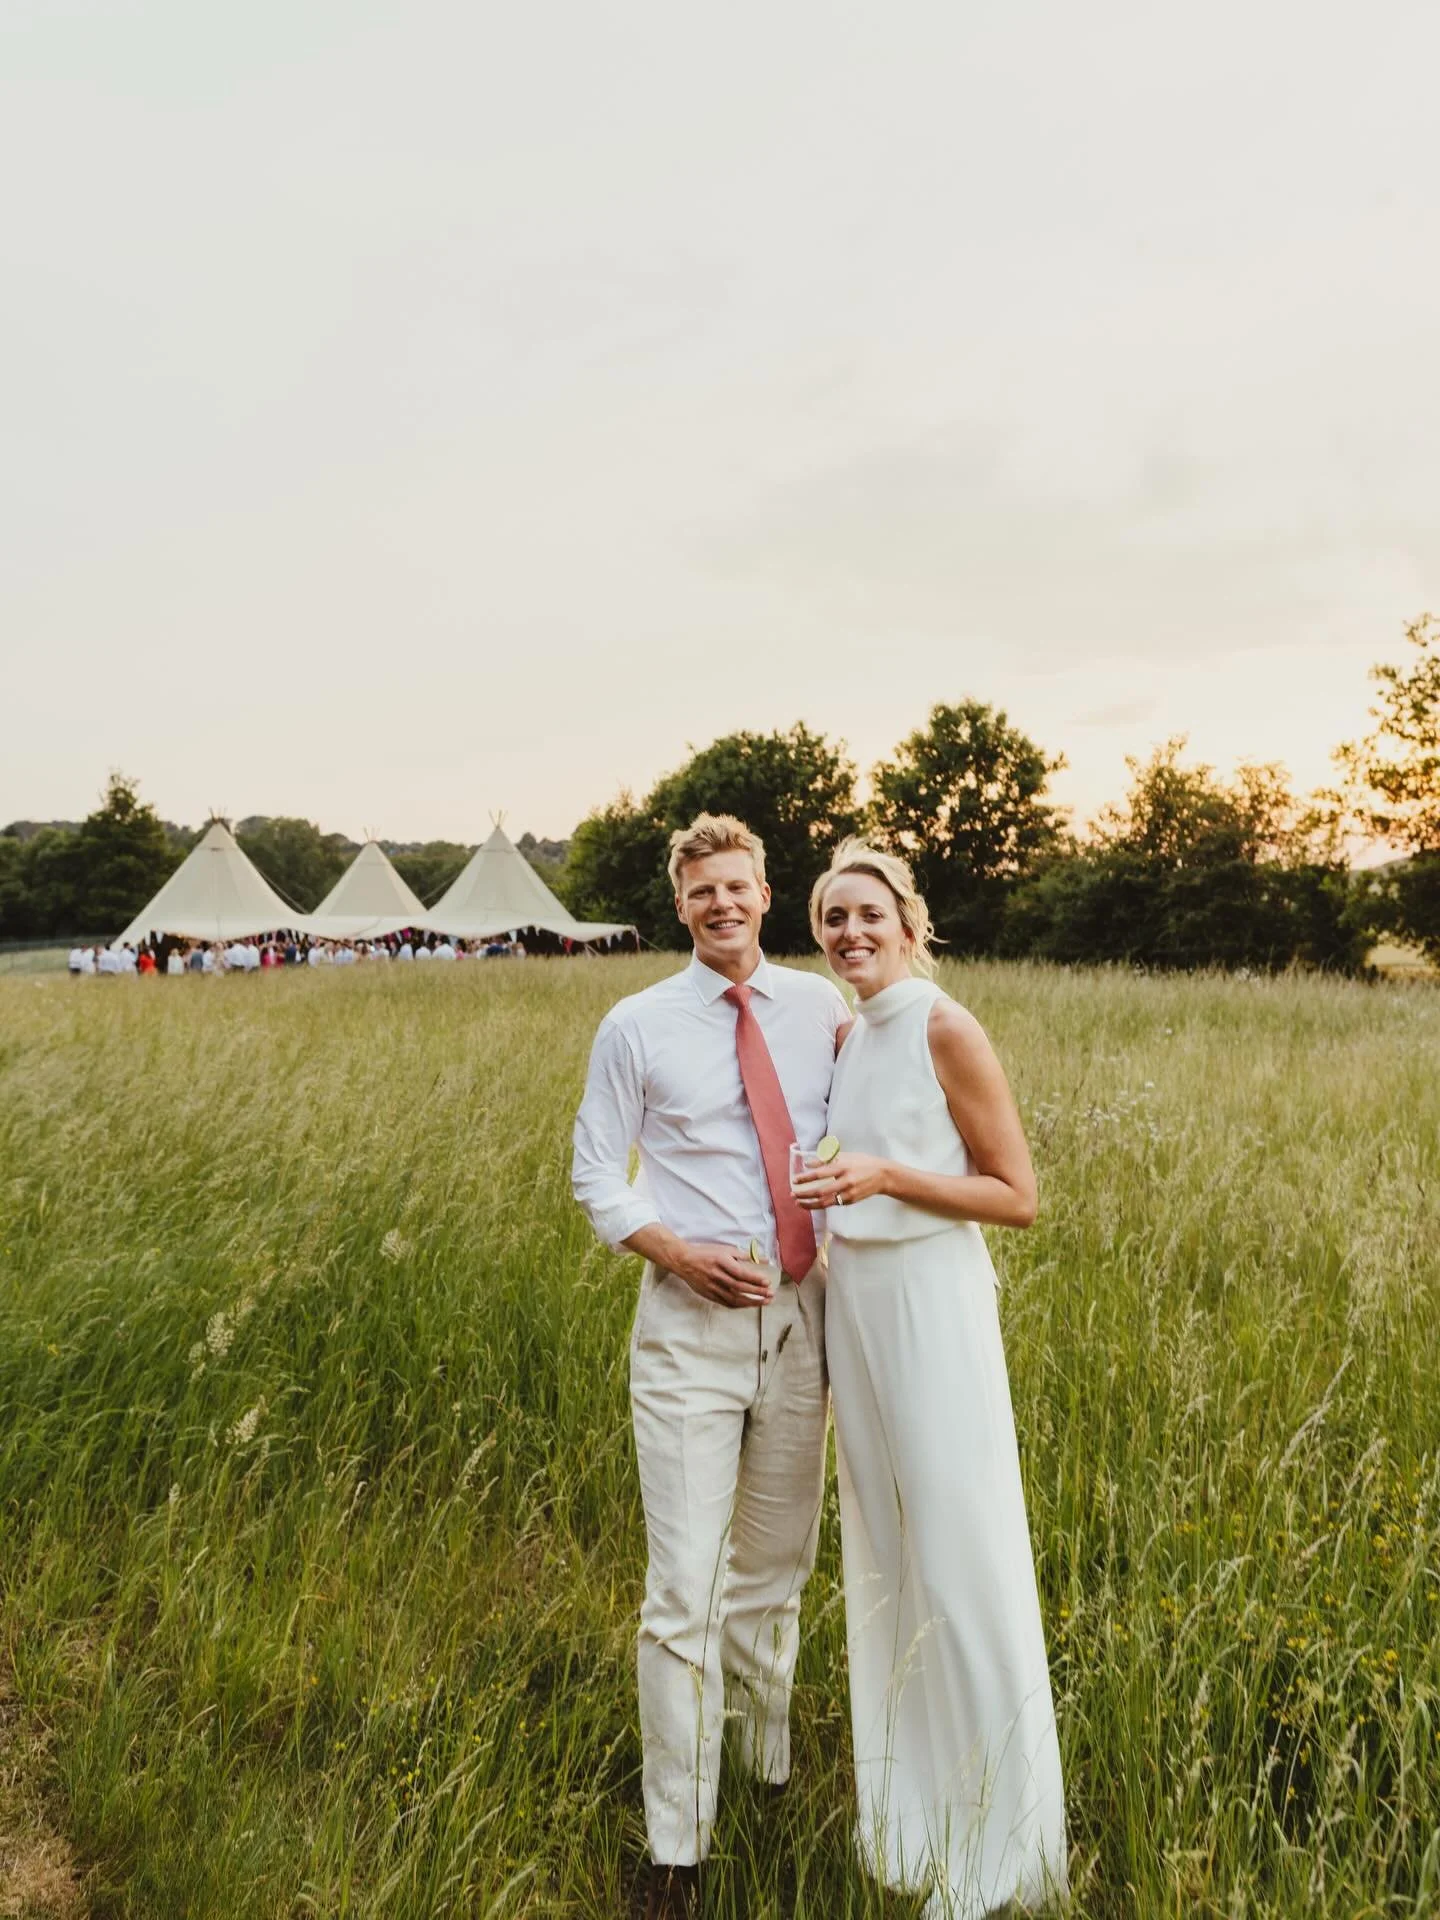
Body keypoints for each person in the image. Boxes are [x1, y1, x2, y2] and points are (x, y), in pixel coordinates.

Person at [572, 814, 848, 1920]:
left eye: (738, 887)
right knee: (682, 1590)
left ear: (767, 894)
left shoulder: (825, 1012)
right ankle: (675, 1849)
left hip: (801, 1323)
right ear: (680, 904)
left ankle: (767, 1774)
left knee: (775, 1576)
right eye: (702, 893)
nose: (722, 905)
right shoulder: (635, 1025)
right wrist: (677, 1253)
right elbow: (599, 1177)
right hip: (687, 1333)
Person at [796, 840, 1066, 1920]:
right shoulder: (849, 1031)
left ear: (910, 921)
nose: (850, 934)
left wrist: (886, 1177)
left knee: (961, 1548)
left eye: (868, 914)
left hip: (932, 1309)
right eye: (831, 919)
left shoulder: (945, 1025)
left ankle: (1008, 1833)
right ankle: (913, 1814)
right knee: (887, 1554)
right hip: (857, 1304)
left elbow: (1019, 1195)